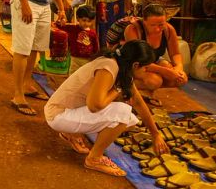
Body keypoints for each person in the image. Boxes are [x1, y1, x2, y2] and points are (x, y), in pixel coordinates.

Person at [45, 40, 168, 177]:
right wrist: (118, 89)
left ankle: (71, 133)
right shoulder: (109, 67)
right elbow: (94, 105)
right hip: (58, 115)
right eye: (146, 68)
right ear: (135, 65)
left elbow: (138, 103)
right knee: (123, 112)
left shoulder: (121, 66)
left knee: (131, 120)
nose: (146, 71)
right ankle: (94, 158)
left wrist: (156, 134)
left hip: (66, 111)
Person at [122, 4, 188, 106]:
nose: (157, 29)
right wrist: (167, 72)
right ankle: (123, 87)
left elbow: (175, 53)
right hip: (133, 63)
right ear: (144, 21)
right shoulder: (132, 30)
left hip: (153, 61)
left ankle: (148, 93)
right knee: (155, 81)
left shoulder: (169, 30)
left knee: (179, 79)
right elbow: (139, 60)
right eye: (153, 25)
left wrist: (178, 68)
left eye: (161, 24)